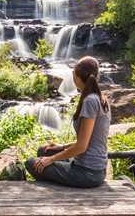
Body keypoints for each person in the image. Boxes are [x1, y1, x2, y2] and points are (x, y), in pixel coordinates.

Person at [25, 56, 111, 188]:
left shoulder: (90, 101)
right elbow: (89, 140)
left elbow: (82, 146)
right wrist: (62, 146)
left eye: (73, 74)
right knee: (44, 151)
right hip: (93, 168)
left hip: (88, 173)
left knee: (32, 163)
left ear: (77, 77)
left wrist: (51, 160)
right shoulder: (101, 98)